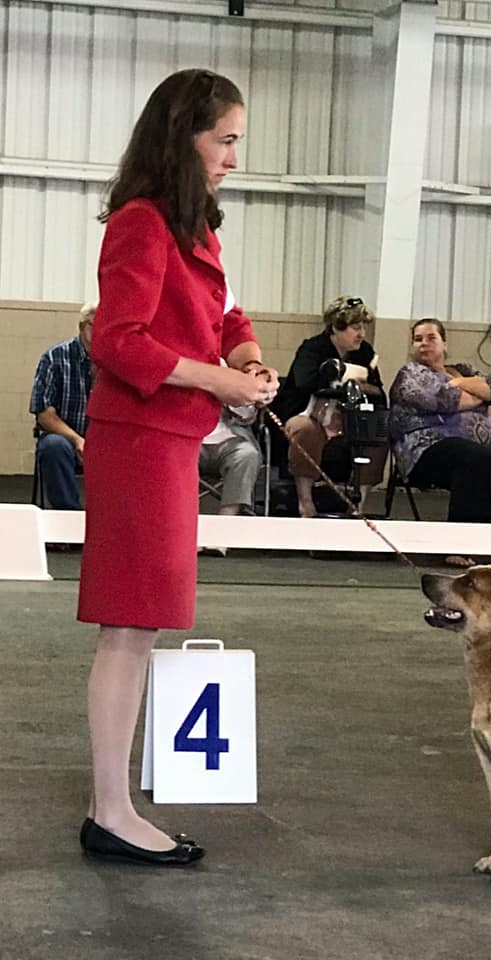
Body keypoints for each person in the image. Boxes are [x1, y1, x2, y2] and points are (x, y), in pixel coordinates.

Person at [75, 69, 279, 866]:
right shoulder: (139, 223)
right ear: (182, 136)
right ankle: (110, 810)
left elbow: (224, 312)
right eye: (224, 139)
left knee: (141, 624)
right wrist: (218, 380)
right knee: (128, 628)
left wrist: (248, 356)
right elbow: (117, 340)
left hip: (169, 438)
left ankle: (111, 804)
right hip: (137, 439)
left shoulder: (195, 227)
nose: (234, 156)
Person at [389, 318, 491, 547]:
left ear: (445, 343)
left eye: (431, 338)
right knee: (476, 458)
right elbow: (442, 400)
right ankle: (465, 545)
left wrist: (458, 383)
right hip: (428, 449)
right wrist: (473, 392)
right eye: (417, 339)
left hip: (486, 446)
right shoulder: (410, 374)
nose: (424, 343)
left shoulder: (463, 370)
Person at [274, 296, 387, 517]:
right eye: (356, 328)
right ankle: (305, 502)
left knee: (376, 431)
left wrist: (356, 382)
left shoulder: (364, 352)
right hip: (308, 415)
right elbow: (305, 383)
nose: (361, 334)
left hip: (349, 419)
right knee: (304, 429)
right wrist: (347, 377)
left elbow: (378, 392)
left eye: (363, 327)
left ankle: (358, 506)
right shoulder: (312, 349)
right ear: (336, 327)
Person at [29, 303, 96, 509]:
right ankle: (68, 521)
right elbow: (44, 414)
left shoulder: (116, 361)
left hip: (104, 439)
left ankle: (116, 525)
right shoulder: (54, 357)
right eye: (97, 325)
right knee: (53, 447)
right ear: (83, 327)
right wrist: (77, 440)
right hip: (66, 438)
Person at [198, 402, 263, 556]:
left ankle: (222, 532)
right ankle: (188, 532)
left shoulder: (241, 377)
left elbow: (247, 417)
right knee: (172, 456)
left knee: (247, 455)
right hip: (189, 436)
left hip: (231, 438)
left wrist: (231, 400)